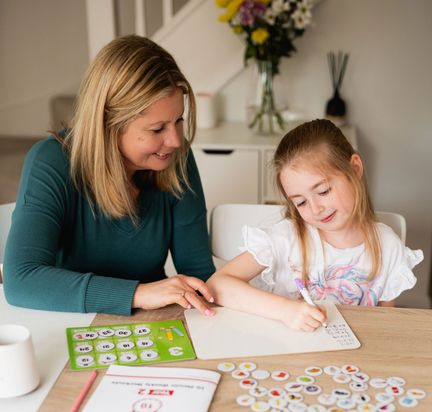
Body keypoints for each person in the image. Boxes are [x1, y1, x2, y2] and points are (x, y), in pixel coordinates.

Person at [3, 35, 216, 316]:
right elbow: (22, 280)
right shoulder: (51, 161)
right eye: (157, 129)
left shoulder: (177, 160)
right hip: (64, 321)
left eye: (179, 121)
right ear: (108, 124)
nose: (176, 141)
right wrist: (139, 294)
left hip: (149, 324)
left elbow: (200, 276)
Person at [207, 119, 423, 331]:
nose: (316, 209)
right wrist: (286, 311)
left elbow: (387, 327)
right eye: (300, 202)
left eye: (323, 191)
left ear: (355, 168)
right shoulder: (286, 238)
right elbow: (218, 285)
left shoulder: (388, 246)